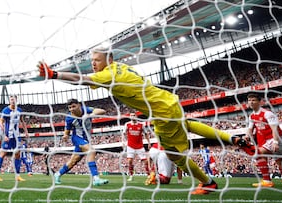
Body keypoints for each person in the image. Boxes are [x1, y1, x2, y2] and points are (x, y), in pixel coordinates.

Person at [37, 48, 251, 194]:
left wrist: (54, 74)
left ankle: (208, 183)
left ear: (108, 60)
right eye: (92, 60)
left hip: (161, 112)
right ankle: (231, 138)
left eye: (97, 60)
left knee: (175, 157)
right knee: (186, 124)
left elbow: (81, 80)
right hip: (168, 101)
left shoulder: (109, 74)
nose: (93, 64)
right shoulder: (120, 67)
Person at [53, 98, 109, 186]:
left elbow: (102, 111)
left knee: (73, 162)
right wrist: (65, 136)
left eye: (73, 106)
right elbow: (67, 131)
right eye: (70, 107)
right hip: (77, 138)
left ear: (79, 105)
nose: (72, 109)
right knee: (92, 151)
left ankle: (57, 174)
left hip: (86, 139)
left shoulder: (86, 110)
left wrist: (91, 115)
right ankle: (96, 179)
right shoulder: (69, 118)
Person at [244, 93, 282, 187]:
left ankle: (267, 181)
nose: (251, 102)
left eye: (253, 100)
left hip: (277, 139)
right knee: (281, 163)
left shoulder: (267, 113)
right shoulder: (251, 116)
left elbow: (274, 129)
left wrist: (275, 142)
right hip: (267, 141)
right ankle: (270, 180)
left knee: (258, 153)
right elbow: (250, 129)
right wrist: (247, 136)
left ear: (260, 102)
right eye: (249, 100)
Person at [0, 95, 29, 182]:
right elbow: (1, 122)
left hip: (17, 136)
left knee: (18, 154)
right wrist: (3, 135)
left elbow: (22, 121)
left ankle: (17, 175)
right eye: (11, 100)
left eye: (14, 100)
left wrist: (26, 131)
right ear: (9, 101)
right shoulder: (5, 110)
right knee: (3, 153)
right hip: (7, 136)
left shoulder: (19, 110)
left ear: (16, 101)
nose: (12, 101)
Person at [122, 112, 151, 181]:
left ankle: (148, 175)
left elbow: (146, 134)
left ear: (136, 116)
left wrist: (149, 142)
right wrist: (123, 142)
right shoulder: (127, 124)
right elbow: (123, 133)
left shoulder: (141, 125)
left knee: (146, 161)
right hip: (130, 146)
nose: (132, 116)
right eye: (131, 115)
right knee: (129, 161)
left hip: (140, 146)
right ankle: (131, 175)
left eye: (134, 115)